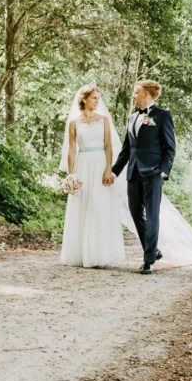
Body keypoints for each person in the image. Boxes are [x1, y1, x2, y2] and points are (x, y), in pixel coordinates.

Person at [111, 80, 175, 274]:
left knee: (152, 214)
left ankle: (148, 261)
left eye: (136, 92)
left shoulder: (162, 116)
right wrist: (113, 172)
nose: (133, 96)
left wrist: (164, 170)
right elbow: (126, 150)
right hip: (133, 173)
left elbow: (170, 148)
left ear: (146, 95)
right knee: (135, 212)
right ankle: (153, 250)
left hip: (154, 173)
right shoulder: (131, 118)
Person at [58, 85, 125, 268]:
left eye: (98, 98)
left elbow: (109, 146)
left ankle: (99, 254)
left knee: (98, 205)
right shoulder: (74, 123)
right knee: (84, 205)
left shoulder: (103, 119)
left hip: (100, 164)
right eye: (94, 98)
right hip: (83, 164)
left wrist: (108, 169)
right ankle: (81, 254)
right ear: (84, 99)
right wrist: (71, 175)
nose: (97, 101)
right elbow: (72, 150)